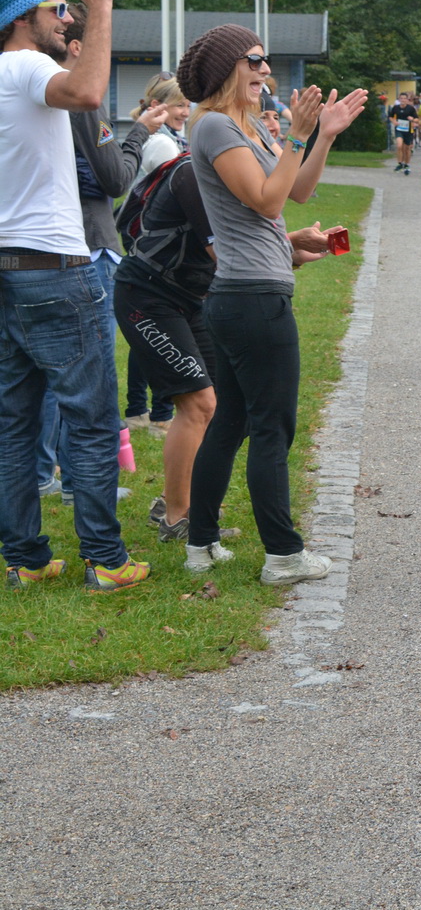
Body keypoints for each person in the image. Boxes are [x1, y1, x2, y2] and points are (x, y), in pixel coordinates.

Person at [180, 23, 368, 586]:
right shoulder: (214, 125)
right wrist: (297, 134)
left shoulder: (244, 126)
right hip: (252, 300)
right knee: (272, 428)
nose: (266, 70)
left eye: (266, 60)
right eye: (255, 60)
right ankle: (283, 556)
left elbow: (296, 191)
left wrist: (322, 136)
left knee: (233, 421)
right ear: (227, 68)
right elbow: (266, 202)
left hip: (249, 295)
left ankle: (201, 543)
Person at [0, 0, 150, 591]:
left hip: (8, 269)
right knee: (89, 421)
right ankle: (107, 561)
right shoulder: (27, 66)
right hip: (55, 269)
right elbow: (89, 94)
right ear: (22, 18)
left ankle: (26, 560)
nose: (67, 21)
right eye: (57, 10)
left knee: (15, 425)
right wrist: (102, 7)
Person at [114, 92, 251, 563]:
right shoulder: (194, 174)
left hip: (190, 297)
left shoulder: (222, 173)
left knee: (218, 404)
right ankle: (176, 517)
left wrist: (294, 245)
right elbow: (226, 252)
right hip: (147, 296)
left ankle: (190, 507)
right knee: (198, 404)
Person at [35, 5, 142, 506]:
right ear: (76, 47)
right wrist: (138, 136)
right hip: (89, 247)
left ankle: (43, 475)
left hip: (40, 249)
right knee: (88, 375)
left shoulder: (35, 90)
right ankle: (80, 483)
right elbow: (115, 179)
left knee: (41, 377)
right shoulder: (80, 97)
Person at [123, 76, 191, 439]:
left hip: (150, 247)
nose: (185, 112)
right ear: (157, 106)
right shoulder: (163, 144)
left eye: (187, 105)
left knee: (146, 331)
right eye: (179, 105)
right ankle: (159, 413)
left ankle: (141, 410)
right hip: (158, 251)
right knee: (160, 330)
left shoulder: (170, 139)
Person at [388, 89, 418, 174]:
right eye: (401, 98)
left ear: (407, 100)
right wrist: (394, 121)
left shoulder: (411, 108)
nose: (403, 100)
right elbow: (390, 116)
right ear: (399, 99)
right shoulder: (396, 108)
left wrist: (412, 119)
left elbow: (417, 119)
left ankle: (407, 164)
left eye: (405, 98)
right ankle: (400, 163)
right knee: (399, 145)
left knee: (407, 149)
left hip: (408, 130)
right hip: (399, 129)